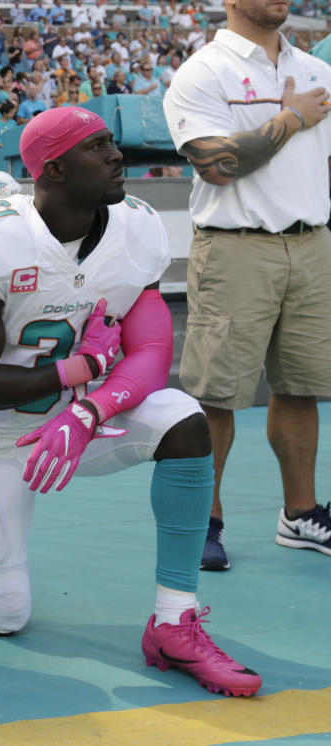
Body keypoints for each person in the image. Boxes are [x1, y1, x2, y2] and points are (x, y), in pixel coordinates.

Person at [0, 106, 263, 700]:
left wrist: (89, 409)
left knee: (183, 419)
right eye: (98, 146)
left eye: (112, 141)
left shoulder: (135, 225)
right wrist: (81, 369)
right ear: (52, 170)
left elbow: (154, 347)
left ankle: (173, 621)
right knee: (5, 615)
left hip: (84, 417)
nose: (117, 155)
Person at [163, 0, 331, 570]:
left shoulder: (316, 71)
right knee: (217, 394)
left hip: (312, 242)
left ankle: (300, 514)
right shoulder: (203, 71)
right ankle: (205, 522)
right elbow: (216, 165)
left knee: (302, 385)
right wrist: (289, 119)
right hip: (236, 245)